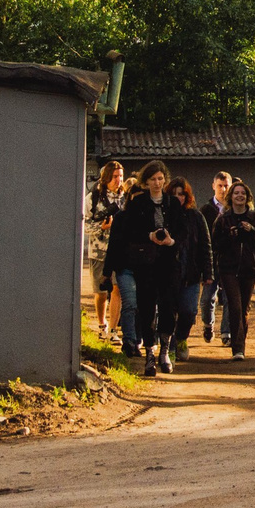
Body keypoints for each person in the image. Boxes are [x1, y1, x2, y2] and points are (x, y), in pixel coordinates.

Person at [107, 162, 183, 374]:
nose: (157, 183)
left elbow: (181, 233)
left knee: (168, 308)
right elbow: (128, 232)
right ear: (146, 181)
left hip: (168, 263)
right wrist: (148, 236)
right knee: (147, 308)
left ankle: (165, 351)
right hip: (145, 264)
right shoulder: (138, 203)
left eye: (160, 179)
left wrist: (171, 241)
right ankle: (150, 353)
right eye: (153, 179)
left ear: (164, 180)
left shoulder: (173, 204)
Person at [212, 181, 255, 361]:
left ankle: (240, 342)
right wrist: (229, 236)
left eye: (242, 193)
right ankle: (238, 349)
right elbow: (215, 245)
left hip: (249, 268)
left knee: (244, 308)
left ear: (247, 197)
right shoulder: (223, 219)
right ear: (231, 196)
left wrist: (252, 231)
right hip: (228, 269)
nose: (239, 196)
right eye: (236, 193)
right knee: (235, 306)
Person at [165, 176, 216, 367]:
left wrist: (208, 273)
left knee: (188, 311)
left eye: (181, 194)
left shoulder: (196, 217)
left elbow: (206, 245)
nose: (178, 197)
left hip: (191, 274)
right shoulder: (164, 216)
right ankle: (168, 347)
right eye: (174, 194)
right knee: (168, 312)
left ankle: (181, 339)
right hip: (169, 274)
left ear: (187, 196)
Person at [85, 159, 128, 341]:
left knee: (117, 290)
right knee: (101, 292)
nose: (118, 180)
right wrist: (101, 228)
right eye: (115, 176)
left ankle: (112, 329)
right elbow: (84, 225)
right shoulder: (93, 198)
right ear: (106, 178)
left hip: (120, 252)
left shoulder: (126, 198)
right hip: (99, 251)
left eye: (120, 176)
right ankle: (102, 325)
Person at [197, 170, 234, 342]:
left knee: (228, 298)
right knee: (207, 299)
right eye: (220, 186)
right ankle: (208, 324)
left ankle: (226, 332)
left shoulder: (235, 209)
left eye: (226, 185)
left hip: (229, 261)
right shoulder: (205, 210)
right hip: (211, 261)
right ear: (213, 186)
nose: (223, 189)